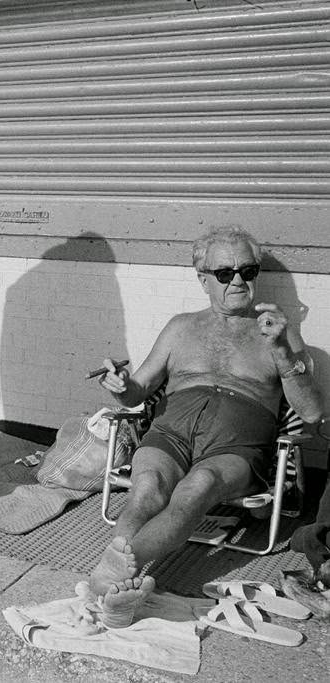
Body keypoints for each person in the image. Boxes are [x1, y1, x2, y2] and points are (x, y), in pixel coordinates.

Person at [86, 226, 323, 627]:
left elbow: (314, 413)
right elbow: (138, 389)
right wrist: (122, 388)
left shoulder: (278, 333)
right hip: (171, 431)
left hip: (236, 444)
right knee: (146, 490)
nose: (238, 281)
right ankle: (121, 593)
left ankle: (108, 580)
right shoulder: (180, 327)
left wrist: (282, 352)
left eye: (248, 271)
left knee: (196, 488)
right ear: (202, 279)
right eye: (225, 273)